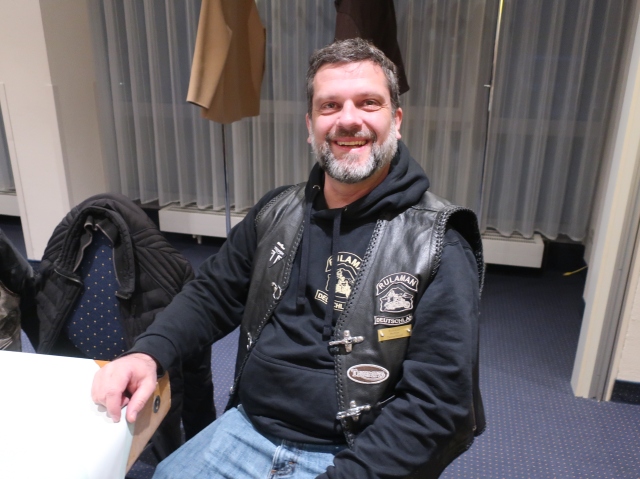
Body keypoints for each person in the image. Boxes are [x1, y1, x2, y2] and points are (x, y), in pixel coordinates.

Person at [92, 38, 485, 479]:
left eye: (368, 103)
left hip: (355, 452)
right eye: (330, 106)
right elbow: (212, 295)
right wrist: (148, 354)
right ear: (310, 125)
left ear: (396, 120)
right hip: (247, 428)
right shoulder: (276, 212)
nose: (348, 119)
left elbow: (437, 406)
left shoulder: (439, 242)